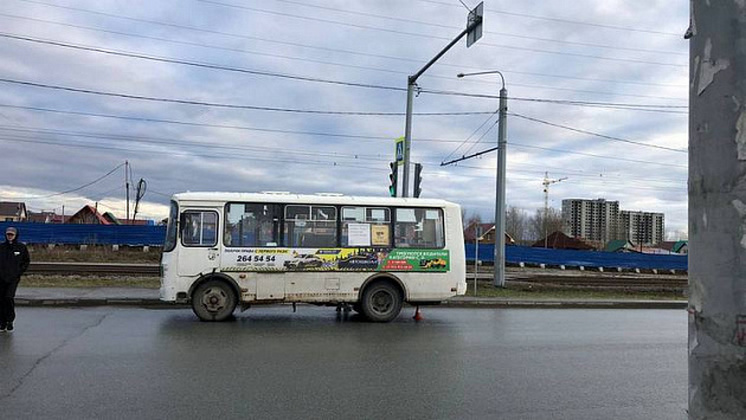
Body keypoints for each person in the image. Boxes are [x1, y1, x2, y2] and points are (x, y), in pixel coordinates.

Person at [0, 226, 30, 332]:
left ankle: (10, 320)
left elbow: (26, 261)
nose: (10, 236)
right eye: (8, 234)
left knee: (9, 298)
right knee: (2, 299)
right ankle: (2, 322)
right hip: (1, 278)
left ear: (15, 235)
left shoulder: (21, 247)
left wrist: (18, 272)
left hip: (13, 279)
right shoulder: (2, 247)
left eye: (11, 234)